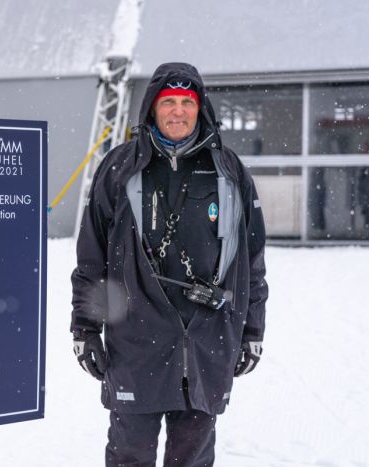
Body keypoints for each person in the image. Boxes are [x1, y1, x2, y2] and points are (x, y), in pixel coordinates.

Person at [70, 63, 268, 466]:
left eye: (186, 103)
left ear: (200, 109)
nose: (177, 111)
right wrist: (86, 327)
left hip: (206, 341)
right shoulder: (119, 169)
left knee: (192, 457)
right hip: (134, 343)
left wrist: (252, 328)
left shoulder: (228, 172)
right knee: (130, 455)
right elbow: (92, 256)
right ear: (152, 109)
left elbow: (251, 258)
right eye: (168, 102)